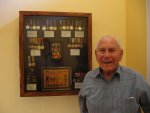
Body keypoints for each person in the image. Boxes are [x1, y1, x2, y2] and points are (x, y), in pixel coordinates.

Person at [79, 35, 150, 113]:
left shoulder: (135, 78)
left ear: (121, 54)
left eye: (112, 50)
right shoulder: (88, 78)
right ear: (96, 54)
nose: (106, 55)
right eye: (102, 50)